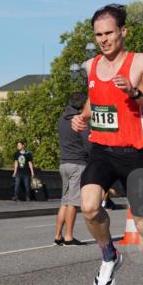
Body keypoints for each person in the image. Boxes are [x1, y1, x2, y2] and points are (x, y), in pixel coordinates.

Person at [71, 4, 143, 285]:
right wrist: (83, 117)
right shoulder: (92, 65)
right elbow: (95, 97)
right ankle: (110, 255)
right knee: (88, 207)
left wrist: (135, 92)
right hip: (102, 150)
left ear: (123, 31)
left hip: (134, 153)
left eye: (109, 32)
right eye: (98, 35)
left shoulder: (140, 62)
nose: (104, 39)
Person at [55, 93, 90, 246]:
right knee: (73, 203)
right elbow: (88, 145)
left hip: (64, 163)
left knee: (65, 201)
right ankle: (69, 236)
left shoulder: (62, 119)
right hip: (77, 163)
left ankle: (58, 236)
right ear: (83, 106)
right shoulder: (81, 121)